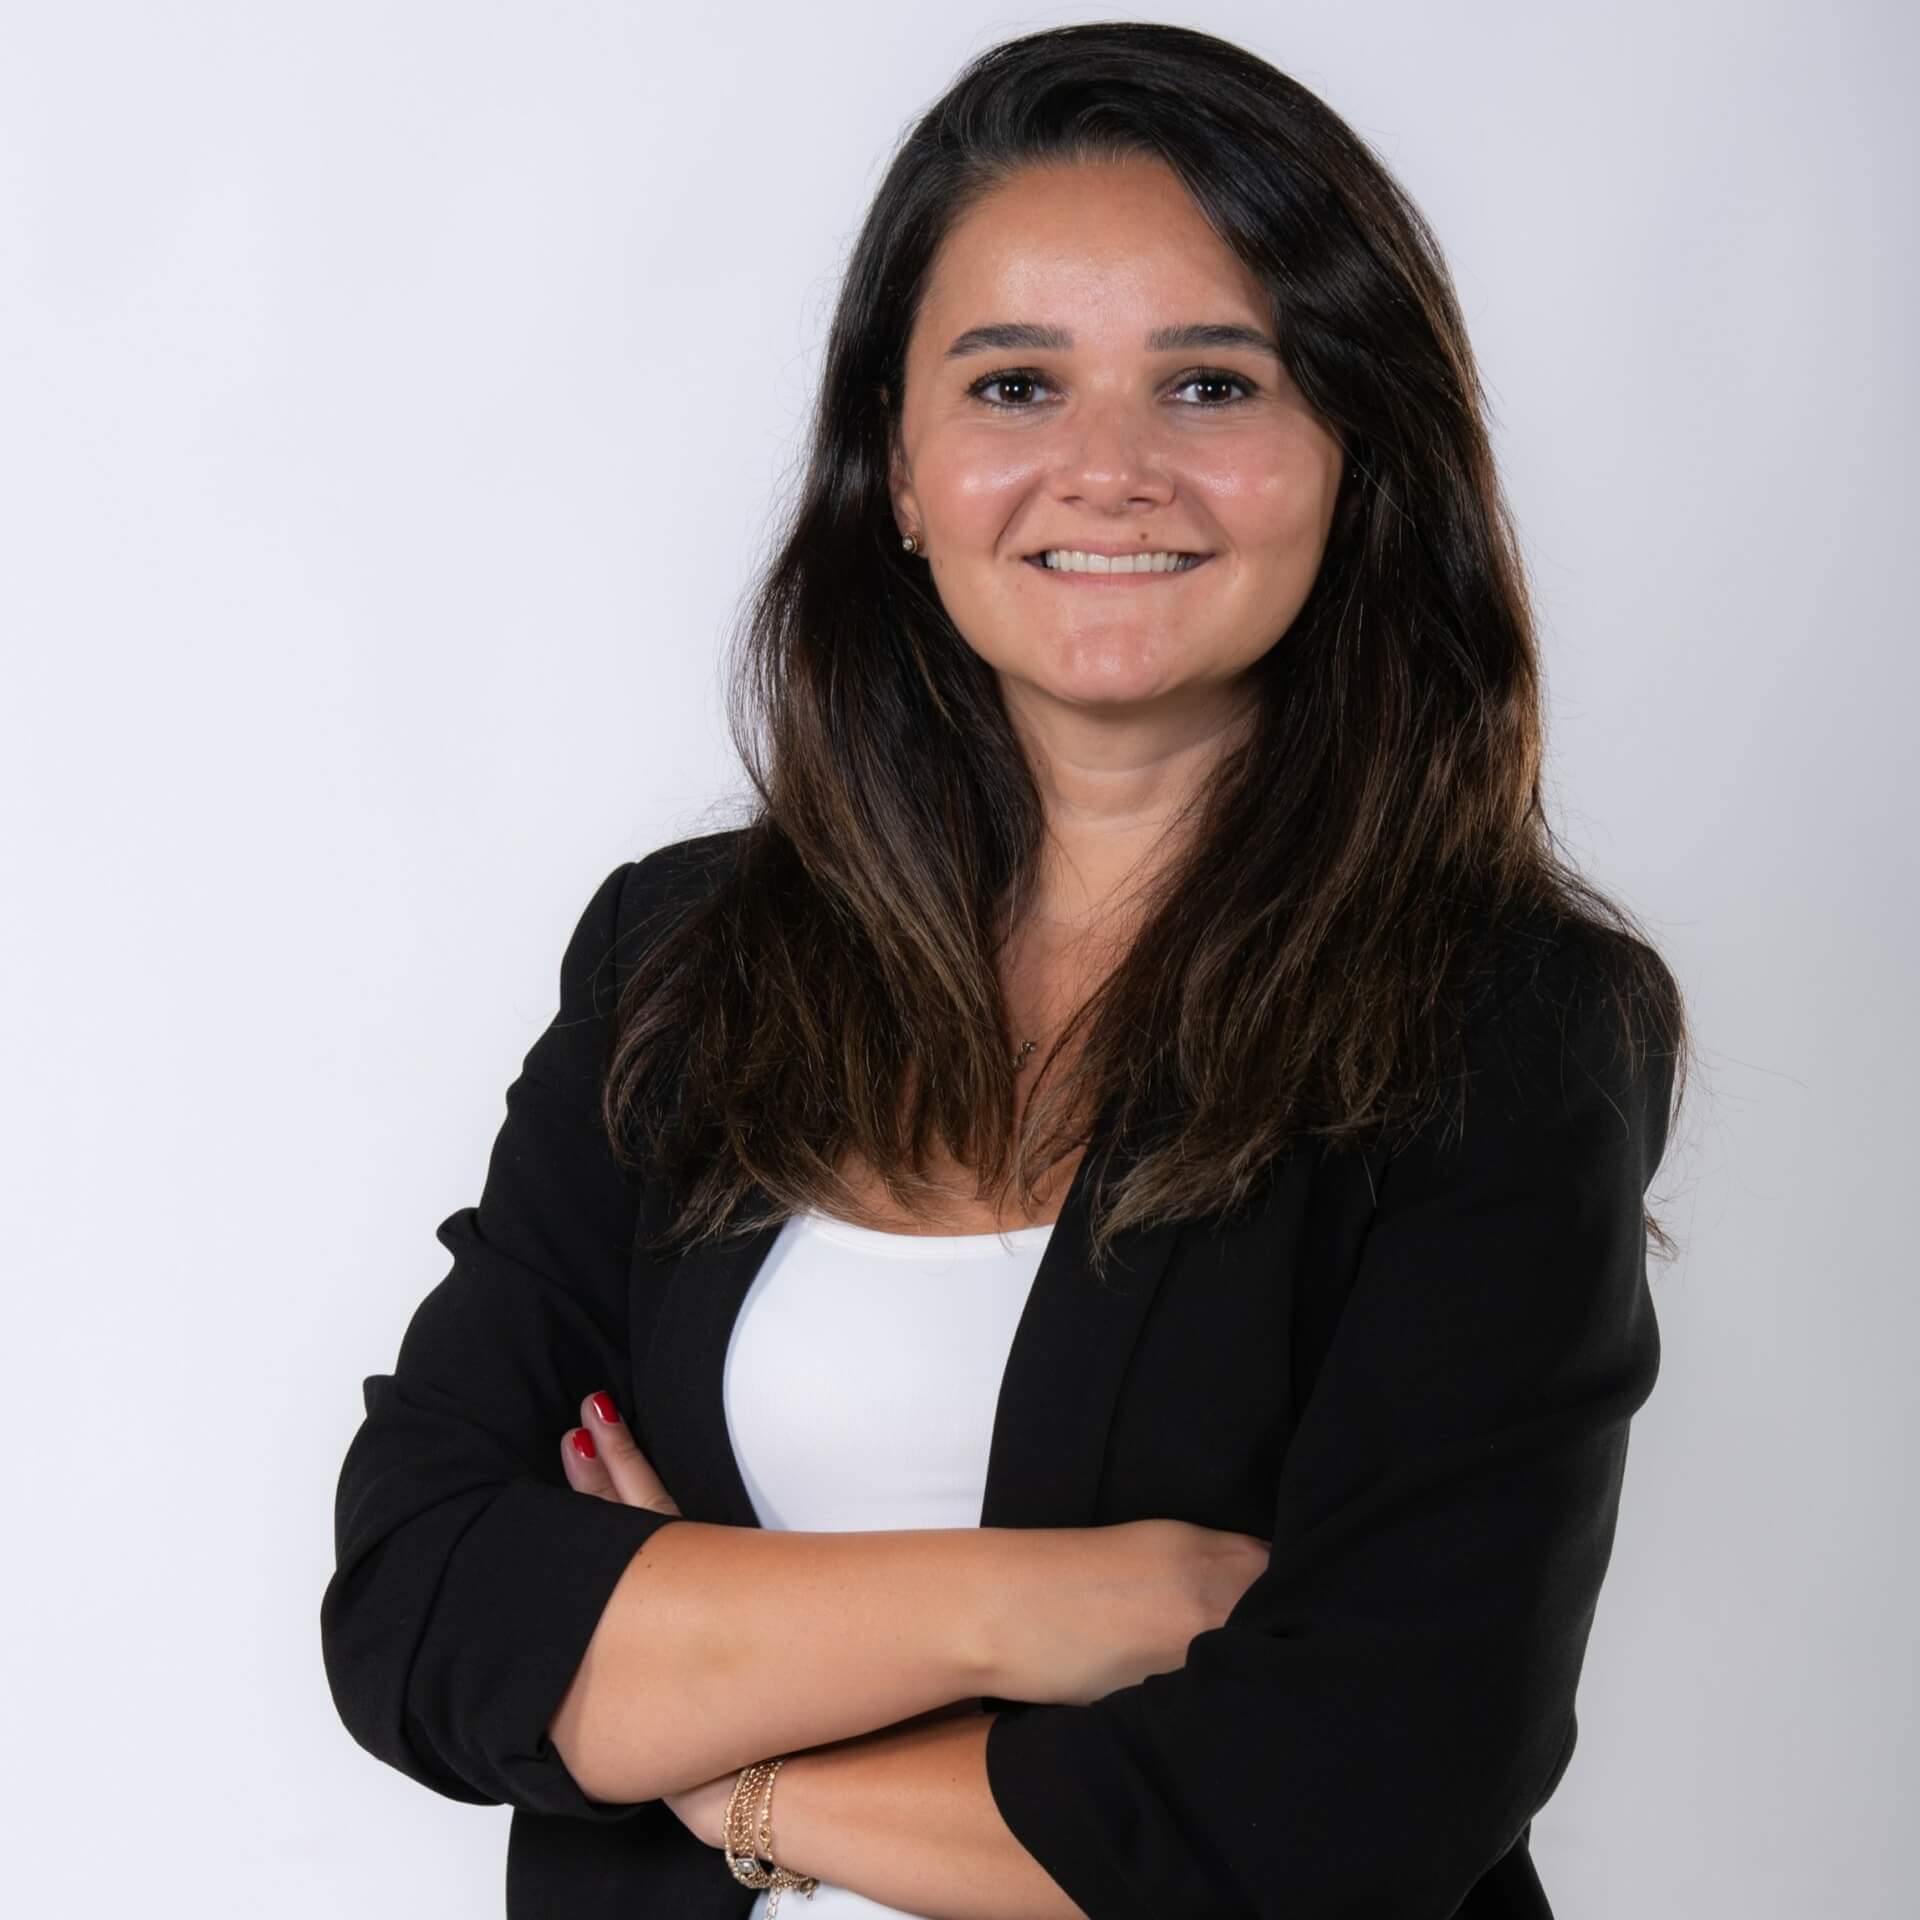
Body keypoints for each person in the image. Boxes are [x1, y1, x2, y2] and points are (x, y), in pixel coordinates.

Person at [320, 21, 1691, 1919]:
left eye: (1212, 383)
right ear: (897, 462)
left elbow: (1343, 1805)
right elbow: (422, 1614)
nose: (1110, 471)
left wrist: (717, 1754)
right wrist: (1050, 1606)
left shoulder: (1505, 1025)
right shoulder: (683, 964)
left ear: (1354, 452)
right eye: (1016, 384)